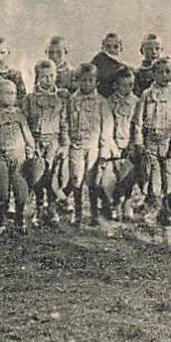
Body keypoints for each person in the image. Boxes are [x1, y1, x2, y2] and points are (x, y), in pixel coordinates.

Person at [134, 56, 171, 223]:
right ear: (153, 74)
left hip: (168, 140)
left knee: (170, 174)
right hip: (151, 140)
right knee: (153, 174)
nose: (164, 75)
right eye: (160, 72)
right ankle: (155, 205)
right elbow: (138, 121)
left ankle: (168, 207)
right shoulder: (146, 95)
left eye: (168, 71)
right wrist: (139, 141)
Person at [0, 78, 36, 232]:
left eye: (13, 93)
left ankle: (19, 218)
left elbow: (27, 133)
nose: (10, 97)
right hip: (0, 157)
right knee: (1, 191)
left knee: (21, 190)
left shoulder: (19, 114)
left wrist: (31, 149)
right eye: (6, 93)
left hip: (19, 157)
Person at [25, 59, 68, 225]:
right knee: (37, 174)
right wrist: (29, 144)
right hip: (35, 140)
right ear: (37, 78)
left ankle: (52, 206)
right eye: (44, 77)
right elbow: (25, 122)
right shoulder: (29, 99)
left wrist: (64, 144)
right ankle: (38, 206)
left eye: (51, 76)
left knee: (51, 174)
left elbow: (64, 123)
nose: (48, 80)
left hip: (53, 141)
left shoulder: (60, 99)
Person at [97, 68, 141, 223]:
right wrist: (111, 145)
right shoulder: (109, 102)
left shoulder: (137, 102)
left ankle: (127, 203)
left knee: (128, 175)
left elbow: (138, 126)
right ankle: (113, 203)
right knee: (109, 175)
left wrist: (134, 144)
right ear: (116, 85)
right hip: (112, 144)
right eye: (123, 85)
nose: (127, 89)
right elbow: (106, 125)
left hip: (129, 144)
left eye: (130, 85)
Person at [64, 64, 105, 227]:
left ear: (96, 82)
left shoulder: (101, 102)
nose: (87, 84)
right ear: (77, 81)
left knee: (93, 180)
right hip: (76, 146)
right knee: (76, 179)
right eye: (83, 81)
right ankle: (78, 212)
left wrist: (103, 149)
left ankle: (94, 212)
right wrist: (67, 141)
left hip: (93, 146)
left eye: (90, 81)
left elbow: (106, 127)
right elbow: (65, 121)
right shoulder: (72, 101)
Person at [92, 32, 130, 97]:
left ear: (121, 48)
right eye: (108, 46)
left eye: (115, 47)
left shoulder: (123, 67)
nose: (111, 50)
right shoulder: (98, 61)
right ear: (103, 47)